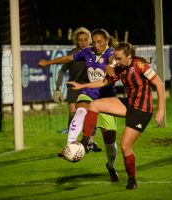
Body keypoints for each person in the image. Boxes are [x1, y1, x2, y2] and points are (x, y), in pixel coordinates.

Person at [67, 41, 165, 189]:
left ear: (129, 56)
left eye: (119, 59)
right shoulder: (120, 68)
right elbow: (103, 82)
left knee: (125, 146)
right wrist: (81, 86)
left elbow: (160, 84)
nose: (116, 62)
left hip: (141, 110)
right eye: (116, 59)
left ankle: (132, 180)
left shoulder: (139, 65)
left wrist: (161, 110)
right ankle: (86, 142)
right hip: (129, 104)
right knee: (94, 105)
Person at [39, 29, 120, 182]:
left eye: (99, 42)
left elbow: (113, 60)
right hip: (88, 93)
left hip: (106, 99)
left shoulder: (110, 52)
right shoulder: (87, 52)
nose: (96, 45)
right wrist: (48, 63)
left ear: (107, 41)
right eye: (94, 42)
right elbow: (68, 58)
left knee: (110, 144)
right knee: (80, 109)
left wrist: (111, 65)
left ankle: (110, 166)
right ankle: (69, 144)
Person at [53, 27, 102, 152]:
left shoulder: (95, 54)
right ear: (76, 41)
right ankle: (71, 143)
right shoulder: (72, 55)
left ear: (90, 41)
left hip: (89, 89)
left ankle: (90, 141)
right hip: (74, 88)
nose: (83, 42)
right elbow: (62, 70)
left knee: (91, 114)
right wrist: (58, 89)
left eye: (86, 40)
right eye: (80, 40)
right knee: (73, 114)